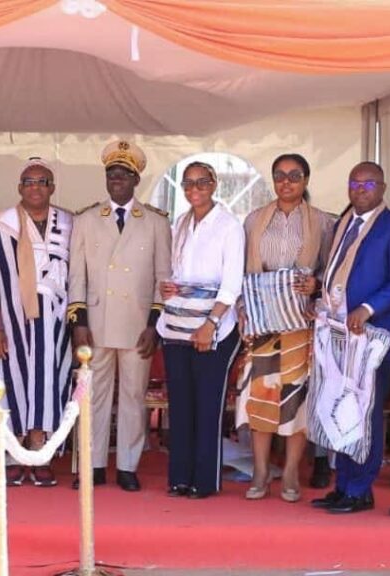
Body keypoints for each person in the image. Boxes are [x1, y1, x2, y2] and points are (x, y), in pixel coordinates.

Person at [310, 161, 390, 514]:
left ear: (382, 188)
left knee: (364, 411)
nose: (359, 189)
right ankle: (344, 486)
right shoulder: (342, 224)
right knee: (341, 405)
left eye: (368, 184)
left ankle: (360, 488)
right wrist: (320, 301)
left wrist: (368, 308)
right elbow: (335, 273)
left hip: (374, 333)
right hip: (339, 331)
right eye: (354, 183)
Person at [68, 140, 171, 492]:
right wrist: (79, 322)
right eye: (111, 173)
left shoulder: (156, 222)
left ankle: (128, 465)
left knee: (132, 396)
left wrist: (154, 325)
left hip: (137, 323)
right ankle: (94, 464)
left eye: (124, 174)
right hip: (97, 322)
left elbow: (163, 278)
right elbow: (76, 276)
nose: (116, 179)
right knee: (93, 396)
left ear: (136, 179)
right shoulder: (85, 219)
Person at [0, 157, 73, 487]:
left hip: (55, 324)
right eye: (29, 182)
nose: (35, 187)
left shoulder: (69, 223)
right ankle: (13, 453)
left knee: (48, 381)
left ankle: (40, 452)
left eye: (42, 182)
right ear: (19, 188)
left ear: (52, 187)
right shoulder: (1, 224)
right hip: (11, 322)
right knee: (11, 381)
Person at [235, 153, 333, 502]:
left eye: (294, 175)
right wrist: (242, 308)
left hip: (299, 323)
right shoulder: (254, 220)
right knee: (262, 394)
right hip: (262, 321)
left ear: (306, 180)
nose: (286, 182)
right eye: (279, 175)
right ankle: (261, 470)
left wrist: (317, 285)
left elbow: (333, 271)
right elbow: (240, 270)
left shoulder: (322, 222)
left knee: (295, 397)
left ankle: (291, 470)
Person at [157, 161, 244, 498]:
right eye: (188, 183)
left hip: (214, 325)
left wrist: (211, 324)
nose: (195, 189)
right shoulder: (180, 222)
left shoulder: (229, 226)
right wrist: (170, 287)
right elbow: (177, 273)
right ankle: (179, 477)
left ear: (214, 184)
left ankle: (204, 480)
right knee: (180, 404)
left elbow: (231, 284)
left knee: (207, 404)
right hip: (178, 325)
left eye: (202, 182)